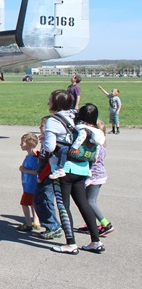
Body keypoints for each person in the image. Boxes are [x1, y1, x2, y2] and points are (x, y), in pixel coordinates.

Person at [43, 102, 105, 254]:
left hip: (66, 170)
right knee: (83, 203)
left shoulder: (78, 127)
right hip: (83, 169)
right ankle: (95, 240)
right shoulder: (95, 131)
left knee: (64, 205)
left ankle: (70, 243)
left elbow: (59, 146)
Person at [77, 121, 114, 237]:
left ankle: (106, 224)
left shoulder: (96, 147)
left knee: (90, 202)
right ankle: (91, 223)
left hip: (95, 177)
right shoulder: (102, 146)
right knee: (88, 201)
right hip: (99, 175)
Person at [17, 132, 41, 231]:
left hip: (31, 185)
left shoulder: (34, 157)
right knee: (32, 203)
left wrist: (24, 170)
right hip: (27, 183)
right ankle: (36, 221)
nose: (20, 145)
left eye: (23, 143)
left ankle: (28, 222)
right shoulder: (30, 155)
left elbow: (36, 171)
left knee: (24, 203)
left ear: (29, 144)